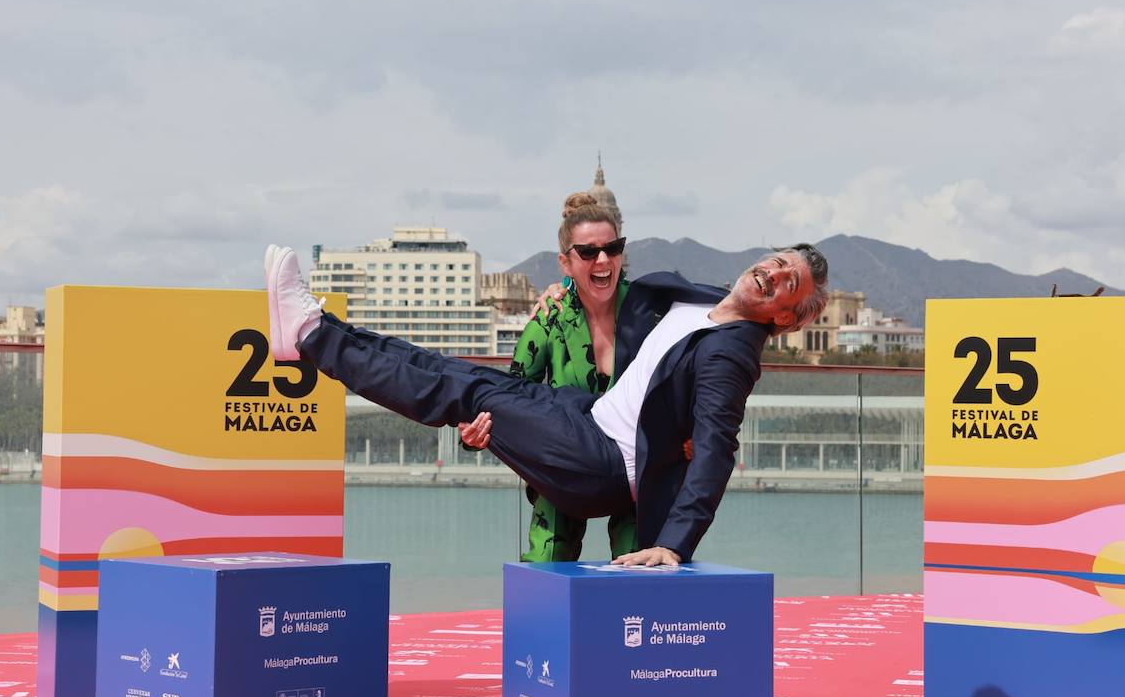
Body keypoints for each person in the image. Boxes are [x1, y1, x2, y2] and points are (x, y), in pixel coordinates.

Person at [265, 241, 828, 565]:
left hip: (600, 465)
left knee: (468, 391)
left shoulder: (732, 353)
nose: (774, 273)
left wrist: (675, 545)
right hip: (584, 415)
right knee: (457, 372)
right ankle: (313, 330)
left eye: (788, 284)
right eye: (779, 261)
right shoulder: (708, 302)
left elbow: (715, 448)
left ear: (783, 316)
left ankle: (313, 335)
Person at [461, 191, 636, 563]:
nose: (603, 260)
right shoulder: (550, 319)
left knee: (641, 567)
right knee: (546, 566)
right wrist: (476, 436)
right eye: (588, 252)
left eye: (613, 247)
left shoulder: (649, 312)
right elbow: (510, 397)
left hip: (637, 467)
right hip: (564, 465)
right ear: (566, 263)